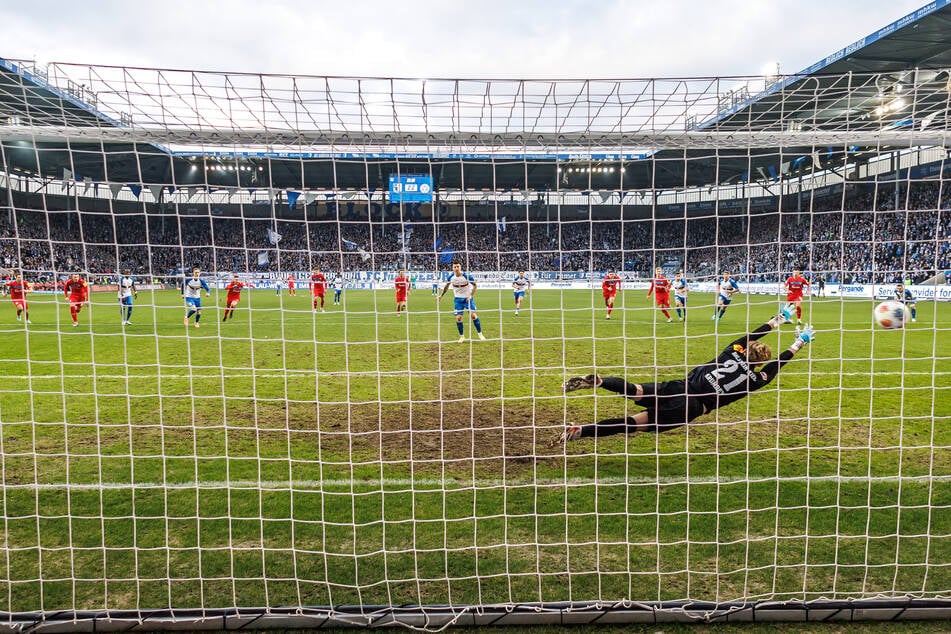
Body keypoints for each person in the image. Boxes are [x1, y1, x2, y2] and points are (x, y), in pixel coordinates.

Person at [550, 305, 813, 446]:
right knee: (632, 423)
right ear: (760, 361)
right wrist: (798, 344)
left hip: (679, 386)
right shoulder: (755, 380)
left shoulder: (731, 351)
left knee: (635, 389)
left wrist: (777, 319)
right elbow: (777, 364)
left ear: (746, 350)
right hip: (691, 406)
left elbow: (752, 335)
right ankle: (579, 431)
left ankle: (601, 382)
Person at [438, 262, 486, 342]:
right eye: (454, 267)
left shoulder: (466, 276)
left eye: (458, 266)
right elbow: (446, 287)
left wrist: (470, 295)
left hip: (468, 299)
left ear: (460, 267)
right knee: (458, 318)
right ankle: (462, 337)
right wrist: (441, 296)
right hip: (458, 300)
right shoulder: (451, 277)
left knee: (473, 315)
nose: (456, 268)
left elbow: (475, 285)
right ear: (452, 268)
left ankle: (480, 335)